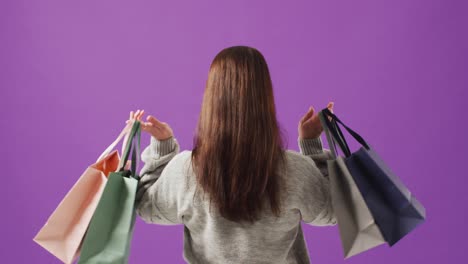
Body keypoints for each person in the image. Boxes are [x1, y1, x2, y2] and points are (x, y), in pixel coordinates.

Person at [127, 46, 337, 264]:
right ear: (265, 98)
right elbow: (334, 211)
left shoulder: (186, 171)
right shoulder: (295, 170)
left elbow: (146, 207)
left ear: (211, 97)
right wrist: (312, 146)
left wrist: (163, 147)